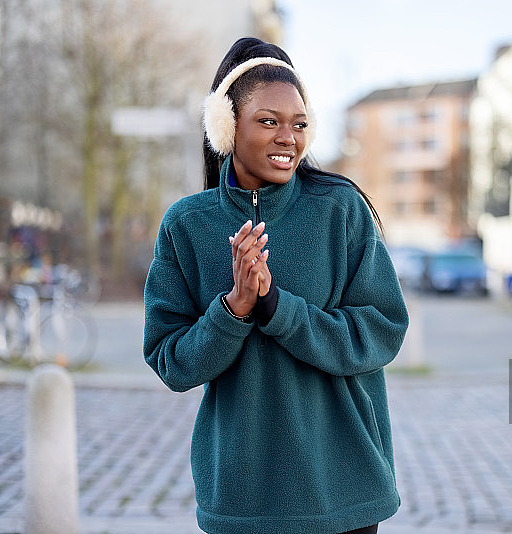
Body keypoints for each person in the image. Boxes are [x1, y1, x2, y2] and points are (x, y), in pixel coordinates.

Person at [143, 37, 409, 534]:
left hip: (345, 493)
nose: (288, 137)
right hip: (242, 502)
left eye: (299, 124)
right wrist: (233, 310)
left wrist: (277, 308)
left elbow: (383, 330)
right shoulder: (186, 225)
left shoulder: (340, 209)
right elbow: (170, 361)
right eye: (268, 121)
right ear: (225, 126)